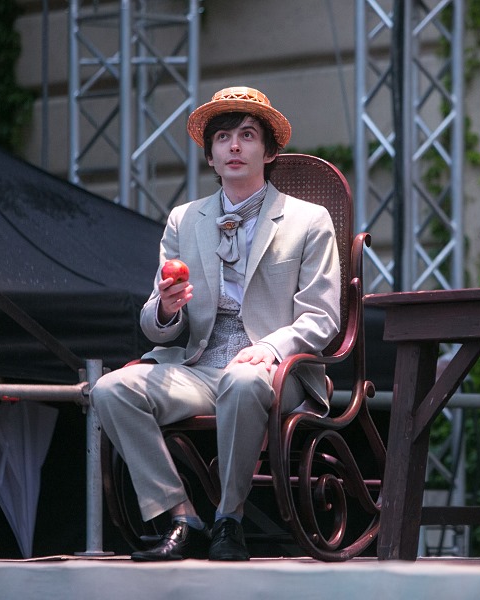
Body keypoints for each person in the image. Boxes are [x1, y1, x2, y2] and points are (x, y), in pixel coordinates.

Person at [92, 86, 341, 562]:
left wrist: (271, 348)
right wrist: (167, 308)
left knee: (243, 380)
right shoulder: (185, 220)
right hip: (201, 365)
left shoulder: (309, 220)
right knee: (110, 390)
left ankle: (229, 518)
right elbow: (156, 326)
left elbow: (323, 316)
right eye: (223, 137)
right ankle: (182, 516)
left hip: (277, 370)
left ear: (268, 152)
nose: (234, 146)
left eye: (247, 135)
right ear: (210, 156)